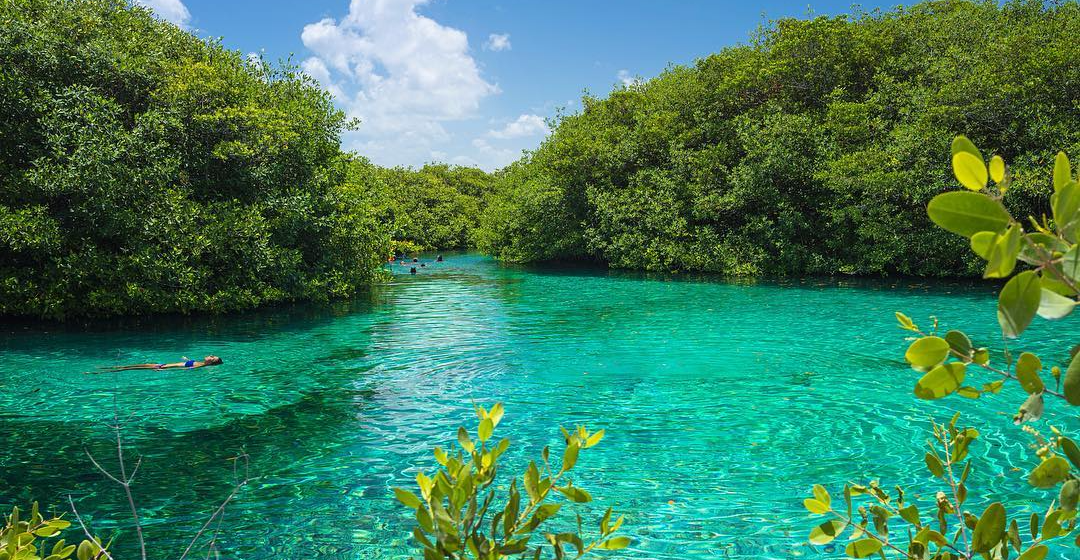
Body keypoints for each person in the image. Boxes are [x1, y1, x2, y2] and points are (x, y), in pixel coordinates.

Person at [101, 356, 223, 371]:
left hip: (162, 367)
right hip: (162, 364)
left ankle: (100, 371)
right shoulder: (200, 363)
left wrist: (163, 369)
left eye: (212, 357)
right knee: (129, 367)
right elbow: (185, 365)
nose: (210, 355)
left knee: (129, 368)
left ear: (210, 362)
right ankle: (105, 368)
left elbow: (181, 369)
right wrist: (187, 359)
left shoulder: (201, 365)